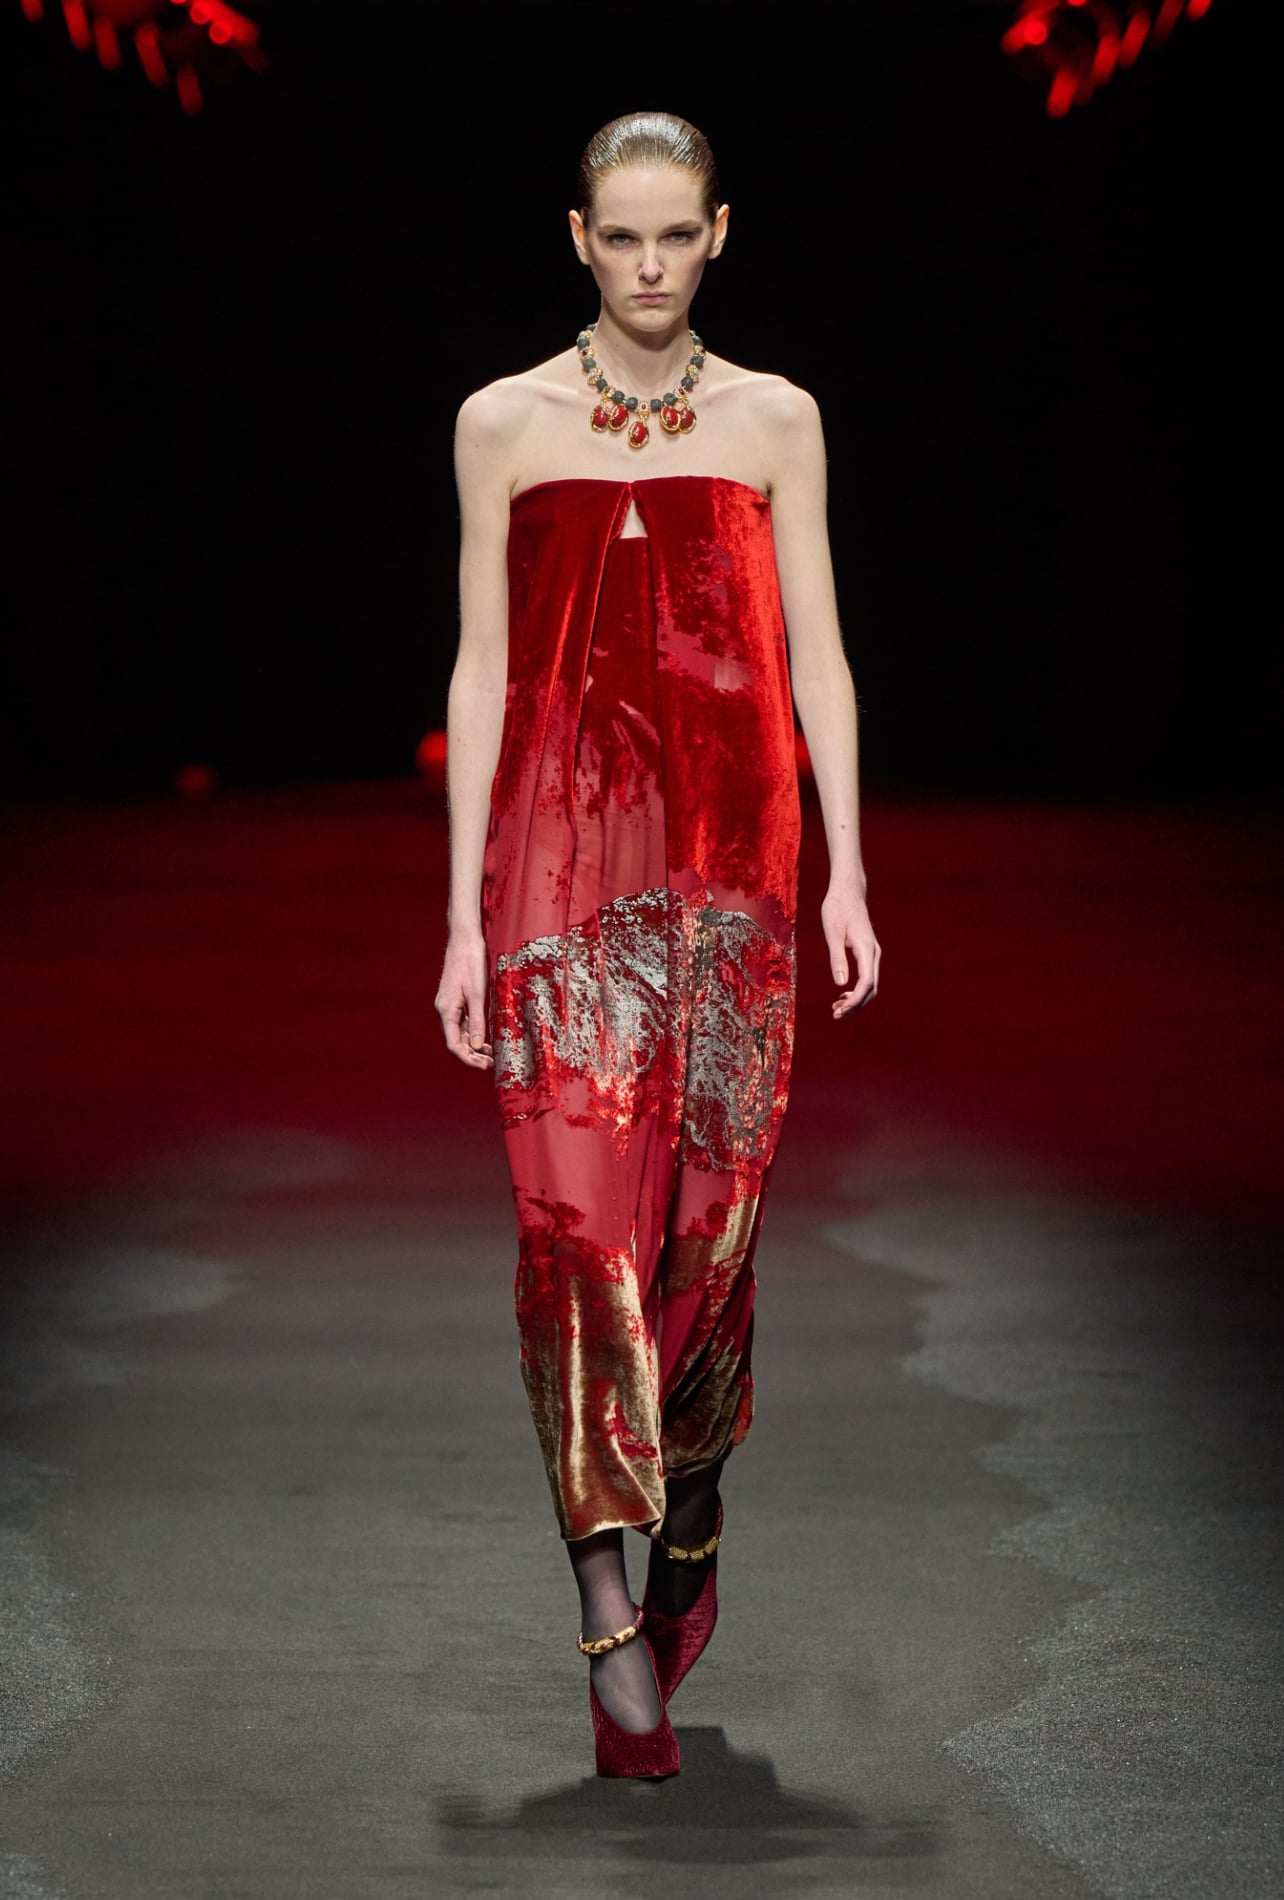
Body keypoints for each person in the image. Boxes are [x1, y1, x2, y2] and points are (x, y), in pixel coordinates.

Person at [435, 110, 880, 1779]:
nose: (643, 266)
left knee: (708, 1236)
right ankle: (610, 1623)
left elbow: (818, 656)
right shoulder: (502, 422)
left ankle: (687, 1513)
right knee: (574, 1232)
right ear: (575, 237)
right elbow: (480, 668)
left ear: (715, 235)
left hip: (735, 873)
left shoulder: (777, 420)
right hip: (558, 863)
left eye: (671, 237)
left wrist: (846, 871)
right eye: (617, 238)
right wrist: (463, 909)